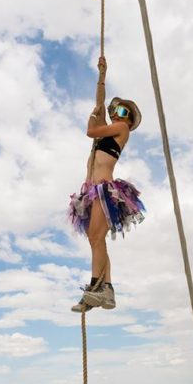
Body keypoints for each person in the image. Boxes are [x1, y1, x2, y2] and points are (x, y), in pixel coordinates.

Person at [69, 56, 145, 312]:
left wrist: (94, 115)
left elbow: (91, 130)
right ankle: (106, 290)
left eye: (123, 112)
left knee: (95, 237)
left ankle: (95, 288)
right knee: (97, 239)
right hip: (90, 192)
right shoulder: (108, 127)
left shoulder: (121, 129)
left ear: (129, 120)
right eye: (116, 110)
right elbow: (100, 101)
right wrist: (102, 76)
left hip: (104, 190)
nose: (116, 114)